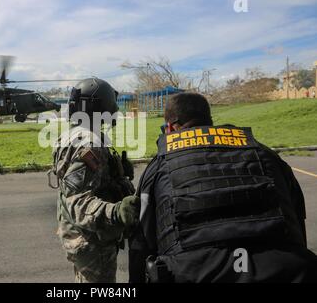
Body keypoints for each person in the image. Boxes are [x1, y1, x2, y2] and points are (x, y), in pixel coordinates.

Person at [129, 92, 317, 283]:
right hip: (285, 270)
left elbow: (141, 239)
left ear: (169, 127)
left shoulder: (159, 164)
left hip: (192, 273)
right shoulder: (265, 153)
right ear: (209, 120)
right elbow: (296, 222)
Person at [48, 78, 139, 283]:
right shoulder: (89, 143)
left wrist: (115, 172)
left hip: (80, 237)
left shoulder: (72, 136)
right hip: (93, 241)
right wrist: (117, 212)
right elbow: (78, 202)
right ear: (102, 107)